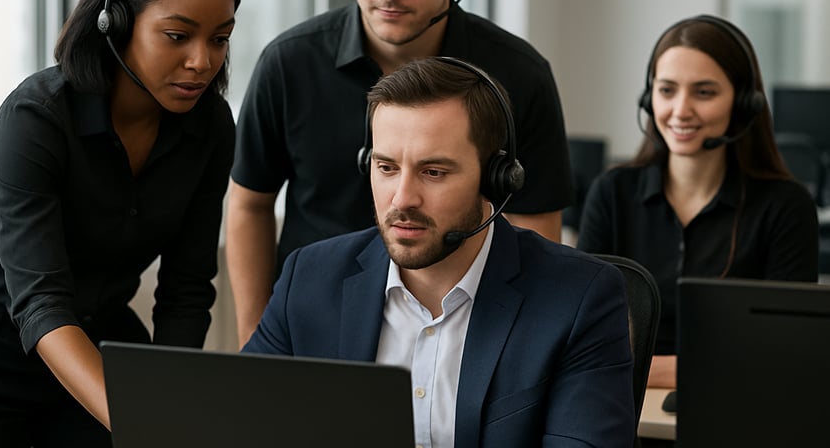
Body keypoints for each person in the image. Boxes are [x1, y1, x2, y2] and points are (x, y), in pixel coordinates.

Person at [227, 0, 572, 347]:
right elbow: (250, 206)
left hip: (466, 337)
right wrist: (255, 338)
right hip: (317, 337)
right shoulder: (289, 63)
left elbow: (535, 236)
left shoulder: (520, 76)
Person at [0, 0, 242, 447]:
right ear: (114, 21)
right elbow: (40, 302)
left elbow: (186, 291)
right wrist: (141, 420)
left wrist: (171, 397)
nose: (202, 62)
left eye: (220, 39)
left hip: (103, 345)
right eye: (177, 35)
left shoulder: (210, 127)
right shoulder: (36, 118)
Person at [243, 57, 635, 447]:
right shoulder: (310, 279)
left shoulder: (579, 298)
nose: (403, 198)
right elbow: (241, 425)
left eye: (434, 172)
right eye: (386, 167)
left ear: (495, 179)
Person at [577, 14, 819, 390]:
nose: (681, 110)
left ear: (743, 104)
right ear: (649, 96)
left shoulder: (785, 207)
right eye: (667, 90)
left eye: (704, 92)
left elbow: (782, 349)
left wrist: (642, 368)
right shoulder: (612, 192)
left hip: (738, 408)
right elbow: (583, 334)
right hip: (624, 411)